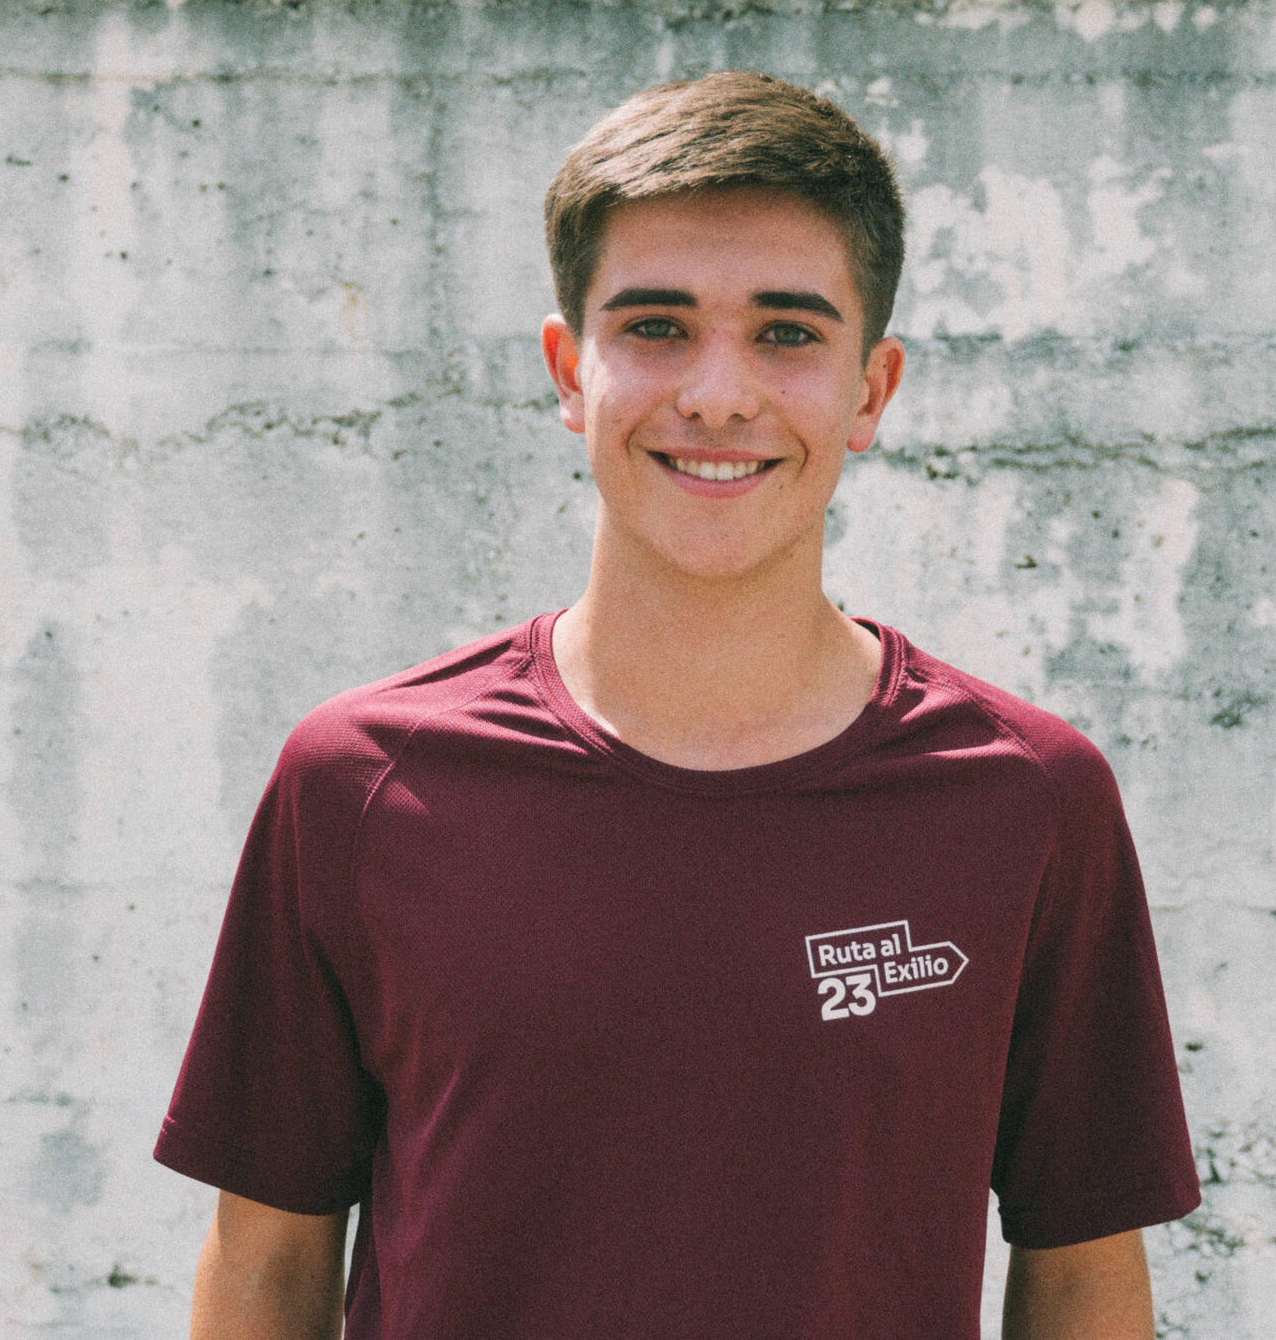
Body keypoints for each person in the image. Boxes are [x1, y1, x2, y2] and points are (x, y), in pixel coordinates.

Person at [154, 71, 1200, 1339]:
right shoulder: (363, 784)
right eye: (656, 326)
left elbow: (1081, 1272)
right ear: (567, 370)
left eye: (788, 334)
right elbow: (267, 1265)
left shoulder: (1025, 799)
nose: (717, 393)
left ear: (872, 390)